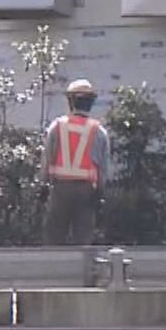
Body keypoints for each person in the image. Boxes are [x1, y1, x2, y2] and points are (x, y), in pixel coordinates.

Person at [41, 79, 109, 246]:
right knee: (83, 240)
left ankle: (54, 270)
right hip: (86, 191)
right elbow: (103, 169)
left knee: (54, 238)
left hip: (60, 190)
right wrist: (100, 193)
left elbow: (47, 158)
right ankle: (82, 271)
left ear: (70, 101)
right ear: (91, 103)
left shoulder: (57, 126)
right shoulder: (99, 131)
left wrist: (43, 185)